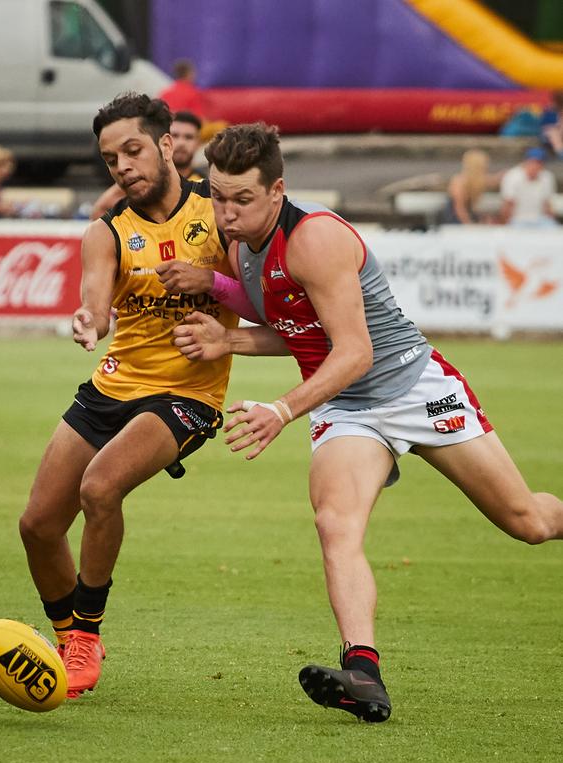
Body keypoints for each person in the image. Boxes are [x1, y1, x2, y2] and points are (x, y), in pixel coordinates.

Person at [171, 123, 563, 724]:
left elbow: (355, 351)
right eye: (219, 197)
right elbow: (300, 331)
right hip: (347, 408)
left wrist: (280, 409)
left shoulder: (315, 239)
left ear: (277, 191)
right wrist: (230, 340)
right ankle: (363, 672)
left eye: (242, 200)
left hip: (412, 386)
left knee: (528, 522)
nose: (226, 214)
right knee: (335, 522)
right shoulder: (241, 247)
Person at [18, 92, 239, 699]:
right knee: (37, 526)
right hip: (113, 385)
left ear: (168, 145)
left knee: (100, 486)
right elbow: (95, 298)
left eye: (133, 150)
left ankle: (85, 638)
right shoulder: (107, 230)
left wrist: (215, 292)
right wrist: (89, 319)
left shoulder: (219, 216)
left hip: (186, 394)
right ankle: (69, 635)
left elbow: (261, 301)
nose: (122, 166)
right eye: (111, 158)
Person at [89, 111, 205, 220]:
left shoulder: (205, 186)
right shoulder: (135, 182)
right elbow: (99, 212)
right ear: (165, 142)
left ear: (198, 143)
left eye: (188, 137)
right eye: (175, 135)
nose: (181, 143)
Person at [500, 147, 558, 227]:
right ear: (526, 162)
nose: (535, 166)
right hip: (517, 220)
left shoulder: (547, 177)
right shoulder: (512, 176)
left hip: (540, 220)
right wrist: (505, 225)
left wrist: (551, 219)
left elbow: (547, 205)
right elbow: (508, 204)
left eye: (539, 163)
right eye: (533, 162)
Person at [439, 149, 500, 225]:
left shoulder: (476, 180)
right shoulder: (459, 182)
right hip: (455, 220)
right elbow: (459, 209)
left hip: (465, 216)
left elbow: (493, 179)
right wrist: (469, 224)